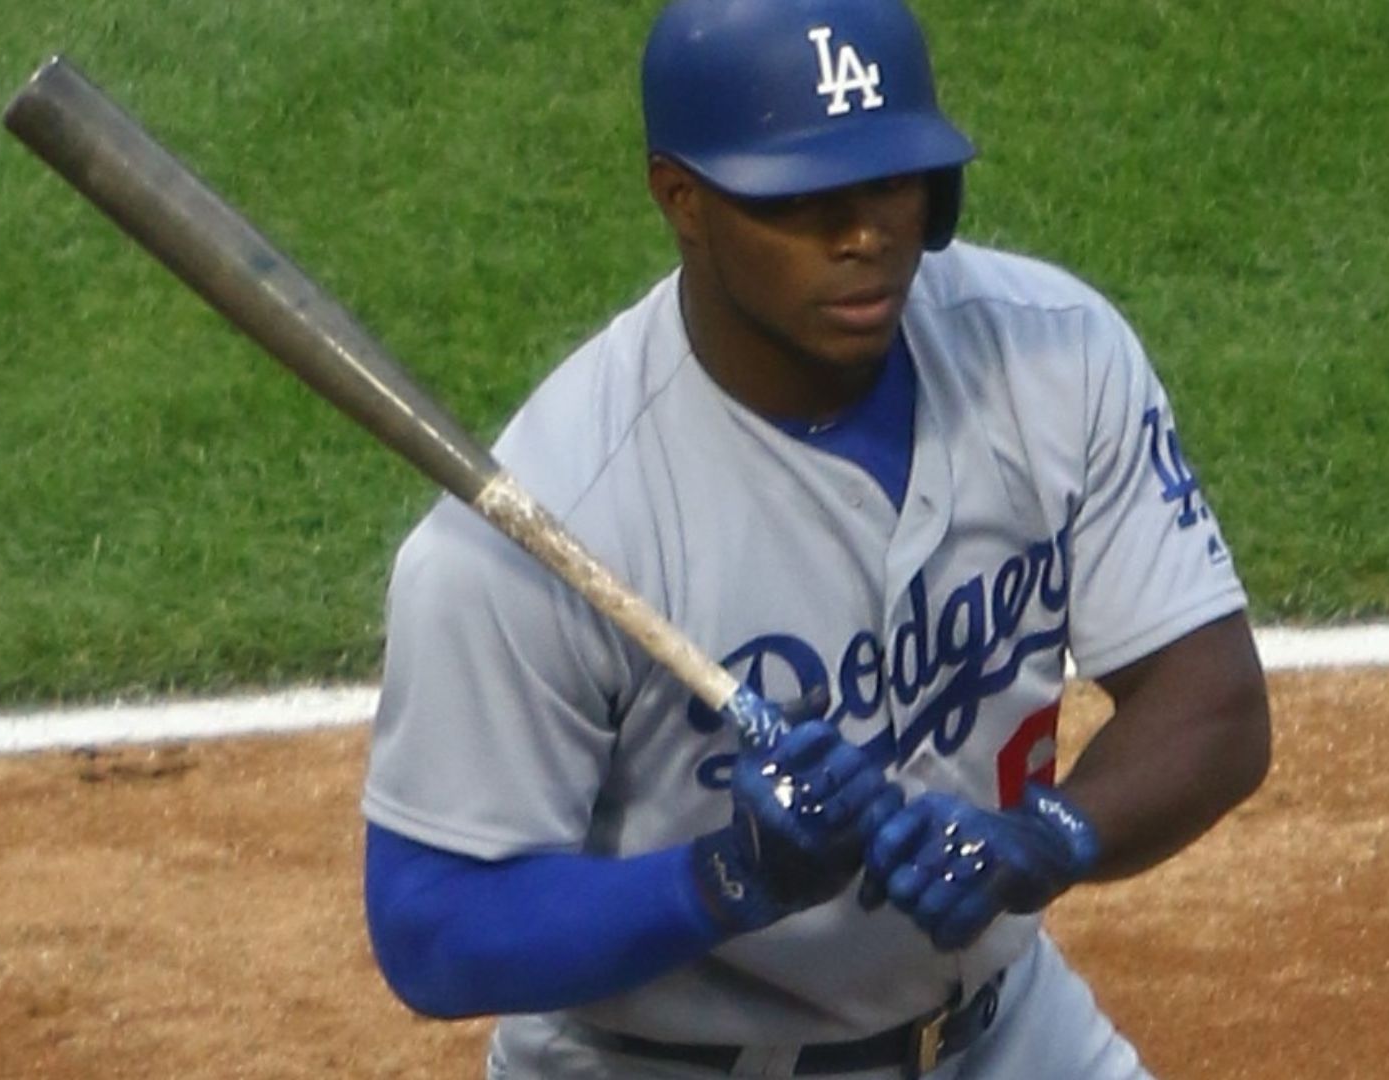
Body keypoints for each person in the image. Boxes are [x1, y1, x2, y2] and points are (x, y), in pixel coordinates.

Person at [359, 0, 1272, 1076]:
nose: (864, 236)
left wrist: (1044, 838)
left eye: (889, 181)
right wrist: (727, 877)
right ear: (683, 199)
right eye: (804, 199)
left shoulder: (1051, 359)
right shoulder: (556, 520)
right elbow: (432, 926)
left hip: (1007, 1036)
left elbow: (1212, 702)